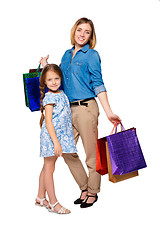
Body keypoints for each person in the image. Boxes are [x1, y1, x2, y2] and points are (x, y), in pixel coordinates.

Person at [40, 17, 121, 208]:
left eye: (87, 32)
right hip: (66, 110)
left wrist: (108, 111)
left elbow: (98, 83)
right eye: (79, 30)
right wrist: (44, 66)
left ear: (91, 36)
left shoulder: (92, 55)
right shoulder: (66, 55)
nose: (82, 35)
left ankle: (93, 191)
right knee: (67, 151)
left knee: (91, 154)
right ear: (73, 31)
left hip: (86, 108)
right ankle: (84, 187)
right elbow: (57, 82)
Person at [35, 64, 77, 214]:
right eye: (50, 80)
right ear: (45, 82)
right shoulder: (49, 97)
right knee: (49, 168)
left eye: (56, 78)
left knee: (47, 167)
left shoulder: (61, 93)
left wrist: (45, 63)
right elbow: (48, 122)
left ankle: (40, 197)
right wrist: (56, 143)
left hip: (59, 137)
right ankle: (53, 202)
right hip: (52, 138)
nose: (53, 82)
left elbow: (50, 72)